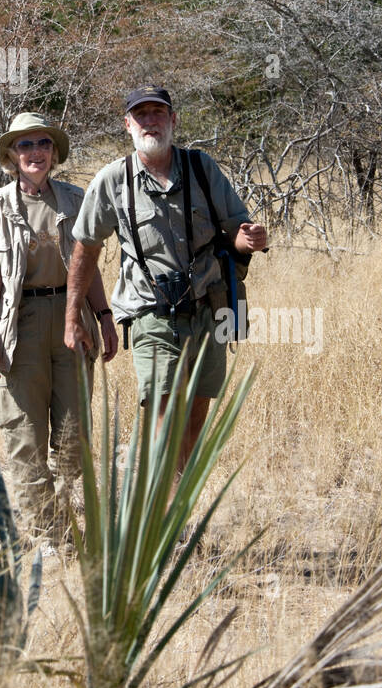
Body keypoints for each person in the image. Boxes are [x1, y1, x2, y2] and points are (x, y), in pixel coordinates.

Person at [66, 87, 267, 477]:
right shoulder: (112, 180)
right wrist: (73, 315)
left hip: (209, 312)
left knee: (193, 420)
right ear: (128, 124)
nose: (150, 121)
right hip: (151, 317)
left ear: (174, 120)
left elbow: (236, 232)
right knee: (163, 416)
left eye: (158, 113)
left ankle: (177, 510)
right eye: (141, 115)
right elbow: (85, 249)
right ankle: (158, 514)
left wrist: (252, 238)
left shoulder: (201, 168)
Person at [0, 113, 117, 556]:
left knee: (74, 433)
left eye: (43, 144)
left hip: (73, 321)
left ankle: (73, 522)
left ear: (54, 152)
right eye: (26, 145)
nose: (36, 152)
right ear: (12, 155)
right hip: (21, 322)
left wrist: (104, 316)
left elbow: (88, 266)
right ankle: (49, 536)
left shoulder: (76, 198)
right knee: (23, 433)